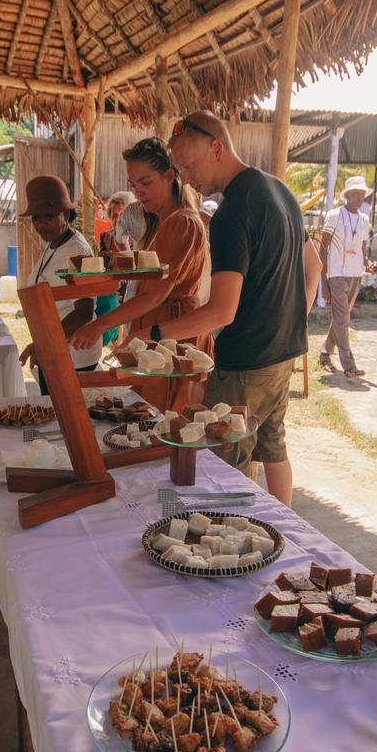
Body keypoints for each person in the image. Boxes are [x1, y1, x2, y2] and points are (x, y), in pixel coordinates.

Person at [142, 111, 321, 506]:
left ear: (217, 148)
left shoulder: (230, 214)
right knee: (273, 447)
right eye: (180, 169)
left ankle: (237, 544)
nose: (186, 178)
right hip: (284, 354)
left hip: (246, 363)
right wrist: (291, 323)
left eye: (189, 166)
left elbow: (222, 312)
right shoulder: (281, 191)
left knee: (220, 463)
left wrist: (156, 334)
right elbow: (314, 266)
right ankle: (285, 527)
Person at [70, 138, 212, 412]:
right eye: (134, 185)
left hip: (171, 335)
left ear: (170, 176)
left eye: (146, 183)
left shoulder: (181, 222)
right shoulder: (161, 222)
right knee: (145, 416)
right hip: (156, 329)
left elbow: (154, 296)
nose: (139, 192)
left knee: (162, 422)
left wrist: (98, 325)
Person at [17, 175, 100, 394]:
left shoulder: (76, 252)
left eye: (49, 216)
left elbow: (84, 312)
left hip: (72, 357)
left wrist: (44, 344)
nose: (42, 223)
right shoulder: (56, 242)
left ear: (66, 215)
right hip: (54, 352)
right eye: (36, 217)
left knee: (66, 421)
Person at [318, 175, 371, 378]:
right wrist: (323, 283)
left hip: (355, 273)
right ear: (347, 195)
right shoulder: (334, 215)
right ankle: (349, 365)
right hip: (336, 273)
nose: (359, 197)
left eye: (362, 194)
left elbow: (362, 246)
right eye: (356, 193)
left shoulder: (364, 219)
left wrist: (367, 264)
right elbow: (323, 248)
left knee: (341, 318)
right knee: (343, 321)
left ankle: (325, 353)